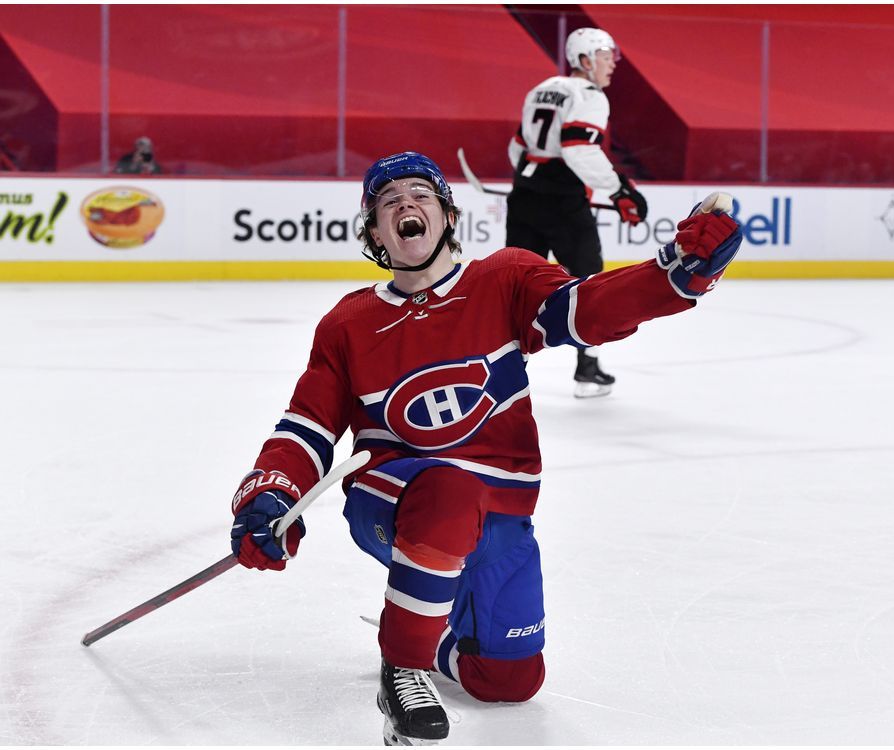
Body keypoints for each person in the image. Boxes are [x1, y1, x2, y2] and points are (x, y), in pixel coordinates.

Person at [228, 152, 741, 745]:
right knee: (450, 490)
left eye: (419, 194)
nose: (404, 206)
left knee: (507, 680)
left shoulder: (503, 279)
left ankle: (433, 629)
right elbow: (306, 430)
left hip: (501, 519)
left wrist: (672, 277)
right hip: (393, 500)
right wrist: (270, 494)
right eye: (387, 202)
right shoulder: (348, 323)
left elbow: (589, 308)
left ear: (446, 213)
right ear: (373, 233)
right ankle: (405, 666)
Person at [505, 27, 648, 398]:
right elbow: (577, 149)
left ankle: (498, 372)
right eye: (605, 56)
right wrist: (619, 190)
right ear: (585, 60)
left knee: (513, 287)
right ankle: (587, 369)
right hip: (563, 201)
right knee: (588, 283)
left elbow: (518, 148)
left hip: (524, 196)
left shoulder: (541, 89)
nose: (612, 64)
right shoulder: (590, 96)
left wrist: (530, 182)